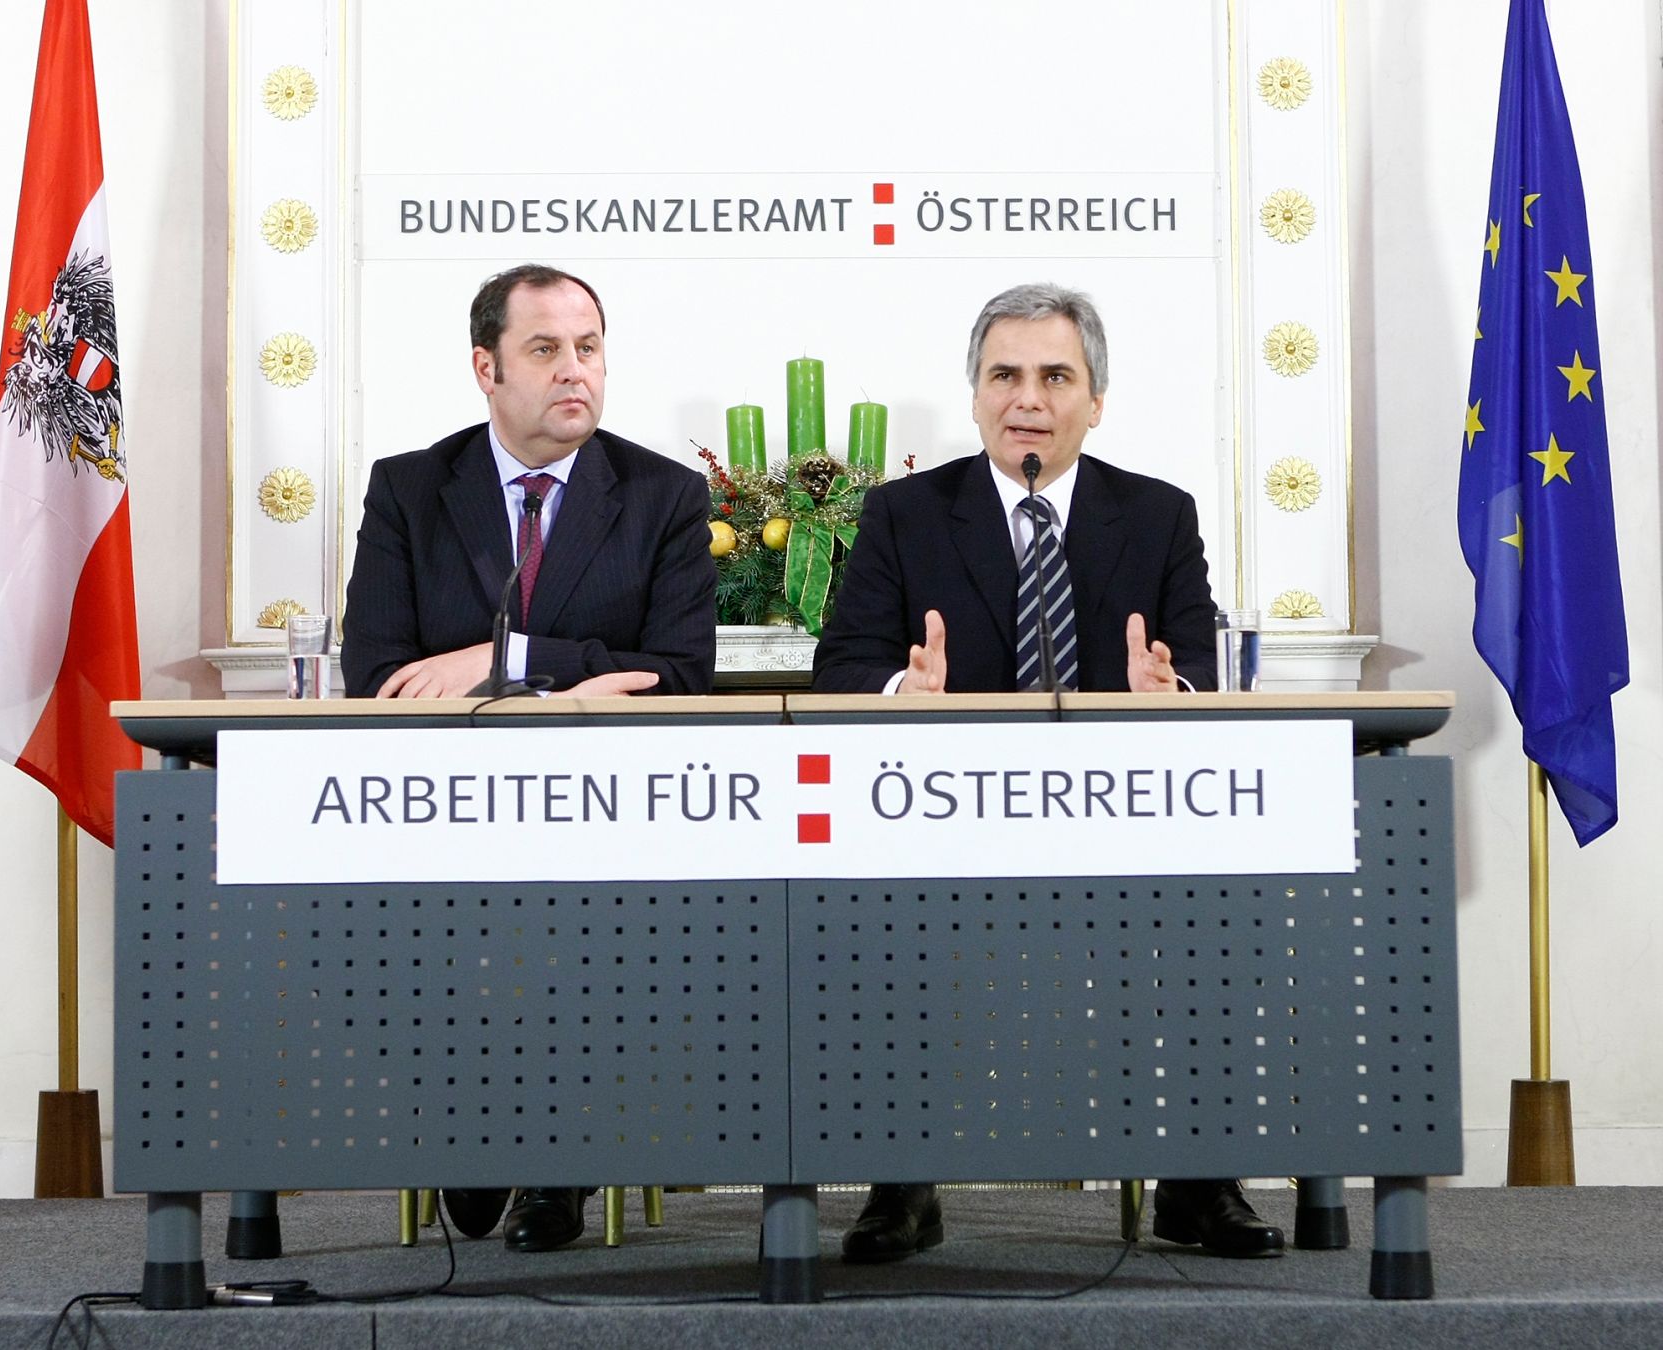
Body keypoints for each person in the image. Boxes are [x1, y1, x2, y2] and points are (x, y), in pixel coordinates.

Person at [812, 281, 1284, 1261]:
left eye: (1053, 375)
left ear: (1094, 398)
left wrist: (1174, 696)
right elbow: (841, 667)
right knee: (870, 909)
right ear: (976, 393)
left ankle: (1197, 1184)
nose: (1026, 398)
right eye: (1004, 375)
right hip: (944, 830)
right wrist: (905, 692)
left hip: (1119, 832)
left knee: (1214, 901)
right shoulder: (904, 514)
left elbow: (1191, 662)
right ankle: (900, 1182)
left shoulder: (1154, 516)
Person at [341, 263, 718, 1250]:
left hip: (609, 827)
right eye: (544, 350)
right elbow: (378, 675)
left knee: (585, 932)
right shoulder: (413, 490)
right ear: (486, 367)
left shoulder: (663, 497)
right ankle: (470, 1132)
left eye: (587, 349)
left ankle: (558, 1169)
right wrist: (576, 680)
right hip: (447, 825)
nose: (573, 373)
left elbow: (676, 678)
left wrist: (498, 661)